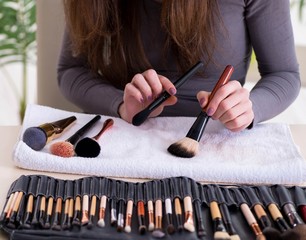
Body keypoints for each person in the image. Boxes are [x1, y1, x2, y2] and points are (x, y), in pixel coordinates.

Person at [58, 0, 300, 132]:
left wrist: (250, 108)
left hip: (217, 143)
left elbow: (284, 74)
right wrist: (120, 103)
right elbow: (71, 70)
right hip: (121, 134)